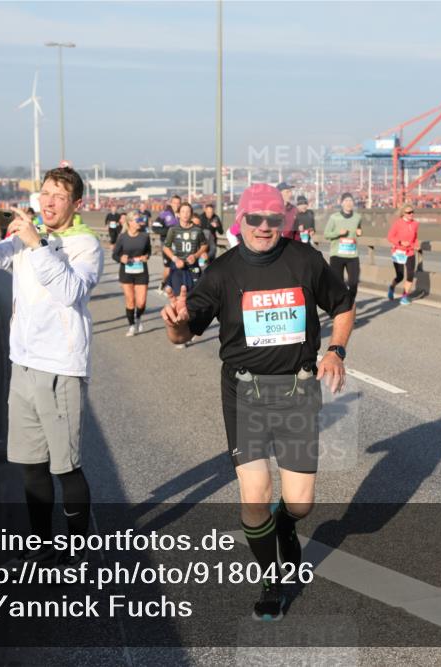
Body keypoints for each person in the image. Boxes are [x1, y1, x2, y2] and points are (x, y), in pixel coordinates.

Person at [161, 184, 354, 621]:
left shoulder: (305, 261)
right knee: (254, 495)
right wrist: (175, 324)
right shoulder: (222, 272)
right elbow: (184, 333)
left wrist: (336, 350)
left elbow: (343, 306)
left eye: (273, 220)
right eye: (255, 219)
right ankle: (271, 578)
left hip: (298, 391)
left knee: (300, 503)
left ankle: (284, 524)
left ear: (282, 221)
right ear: (241, 220)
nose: (265, 228)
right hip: (244, 393)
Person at [0, 165, 102, 569]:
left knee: (66, 467)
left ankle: (77, 548)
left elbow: (70, 292)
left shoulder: (85, 244)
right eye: (45, 193)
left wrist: (38, 244)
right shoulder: (24, 238)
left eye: (59, 195)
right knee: (31, 467)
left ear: (76, 204)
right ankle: (43, 544)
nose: (48, 201)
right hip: (21, 364)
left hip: (61, 367)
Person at [111, 210, 152, 336]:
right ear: (129, 222)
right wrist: (120, 259)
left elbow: (148, 251)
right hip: (126, 272)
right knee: (130, 301)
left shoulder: (145, 236)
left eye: (140, 219)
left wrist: (146, 256)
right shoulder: (122, 237)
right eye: (137, 220)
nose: (140, 222)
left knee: (141, 302)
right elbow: (115, 255)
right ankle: (132, 326)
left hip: (141, 271)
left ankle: (138, 318)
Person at [163, 201, 209, 301]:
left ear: (191, 214)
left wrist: (196, 256)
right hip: (178, 266)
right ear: (178, 214)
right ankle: (179, 315)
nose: (185, 214)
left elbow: (204, 245)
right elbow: (166, 248)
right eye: (183, 211)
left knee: (192, 297)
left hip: (192, 266)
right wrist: (175, 259)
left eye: (188, 212)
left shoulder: (197, 230)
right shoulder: (173, 230)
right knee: (179, 297)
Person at [323, 193, 363, 309]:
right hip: (337, 255)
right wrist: (338, 233)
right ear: (341, 203)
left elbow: (358, 229)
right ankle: (343, 309)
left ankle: (349, 305)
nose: (349, 203)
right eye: (346, 201)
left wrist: (360, 232)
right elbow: (326, 234)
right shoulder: (334, 217)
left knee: (353, 283)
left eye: (351, 201)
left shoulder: (357, 217)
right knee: (338, 285)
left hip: (352, 255)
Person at [387, 205, 419, 305]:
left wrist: (416, 245)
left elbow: (415, 237)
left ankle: (404, 297)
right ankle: (392, 287)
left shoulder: (415, 224)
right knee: (400, 276)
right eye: (409, 212)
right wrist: (400, 242)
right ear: (403, 214)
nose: (411, 214)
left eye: (412, 212)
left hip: (410, 252)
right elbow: (390, 237)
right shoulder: (397, 223)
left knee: (410, 275)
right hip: (398, 252)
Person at [153, 195, 181, 293]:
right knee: (168, 268)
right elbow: (155, 227)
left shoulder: (183, 214)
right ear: (171, 203)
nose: (177, 205)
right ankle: (163, 283)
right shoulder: (165, 214)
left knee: (179, 265)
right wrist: (168, 232)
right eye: (175, 203)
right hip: (167, 245)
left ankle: (174, 287)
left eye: (178, 203)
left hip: (179, 245)